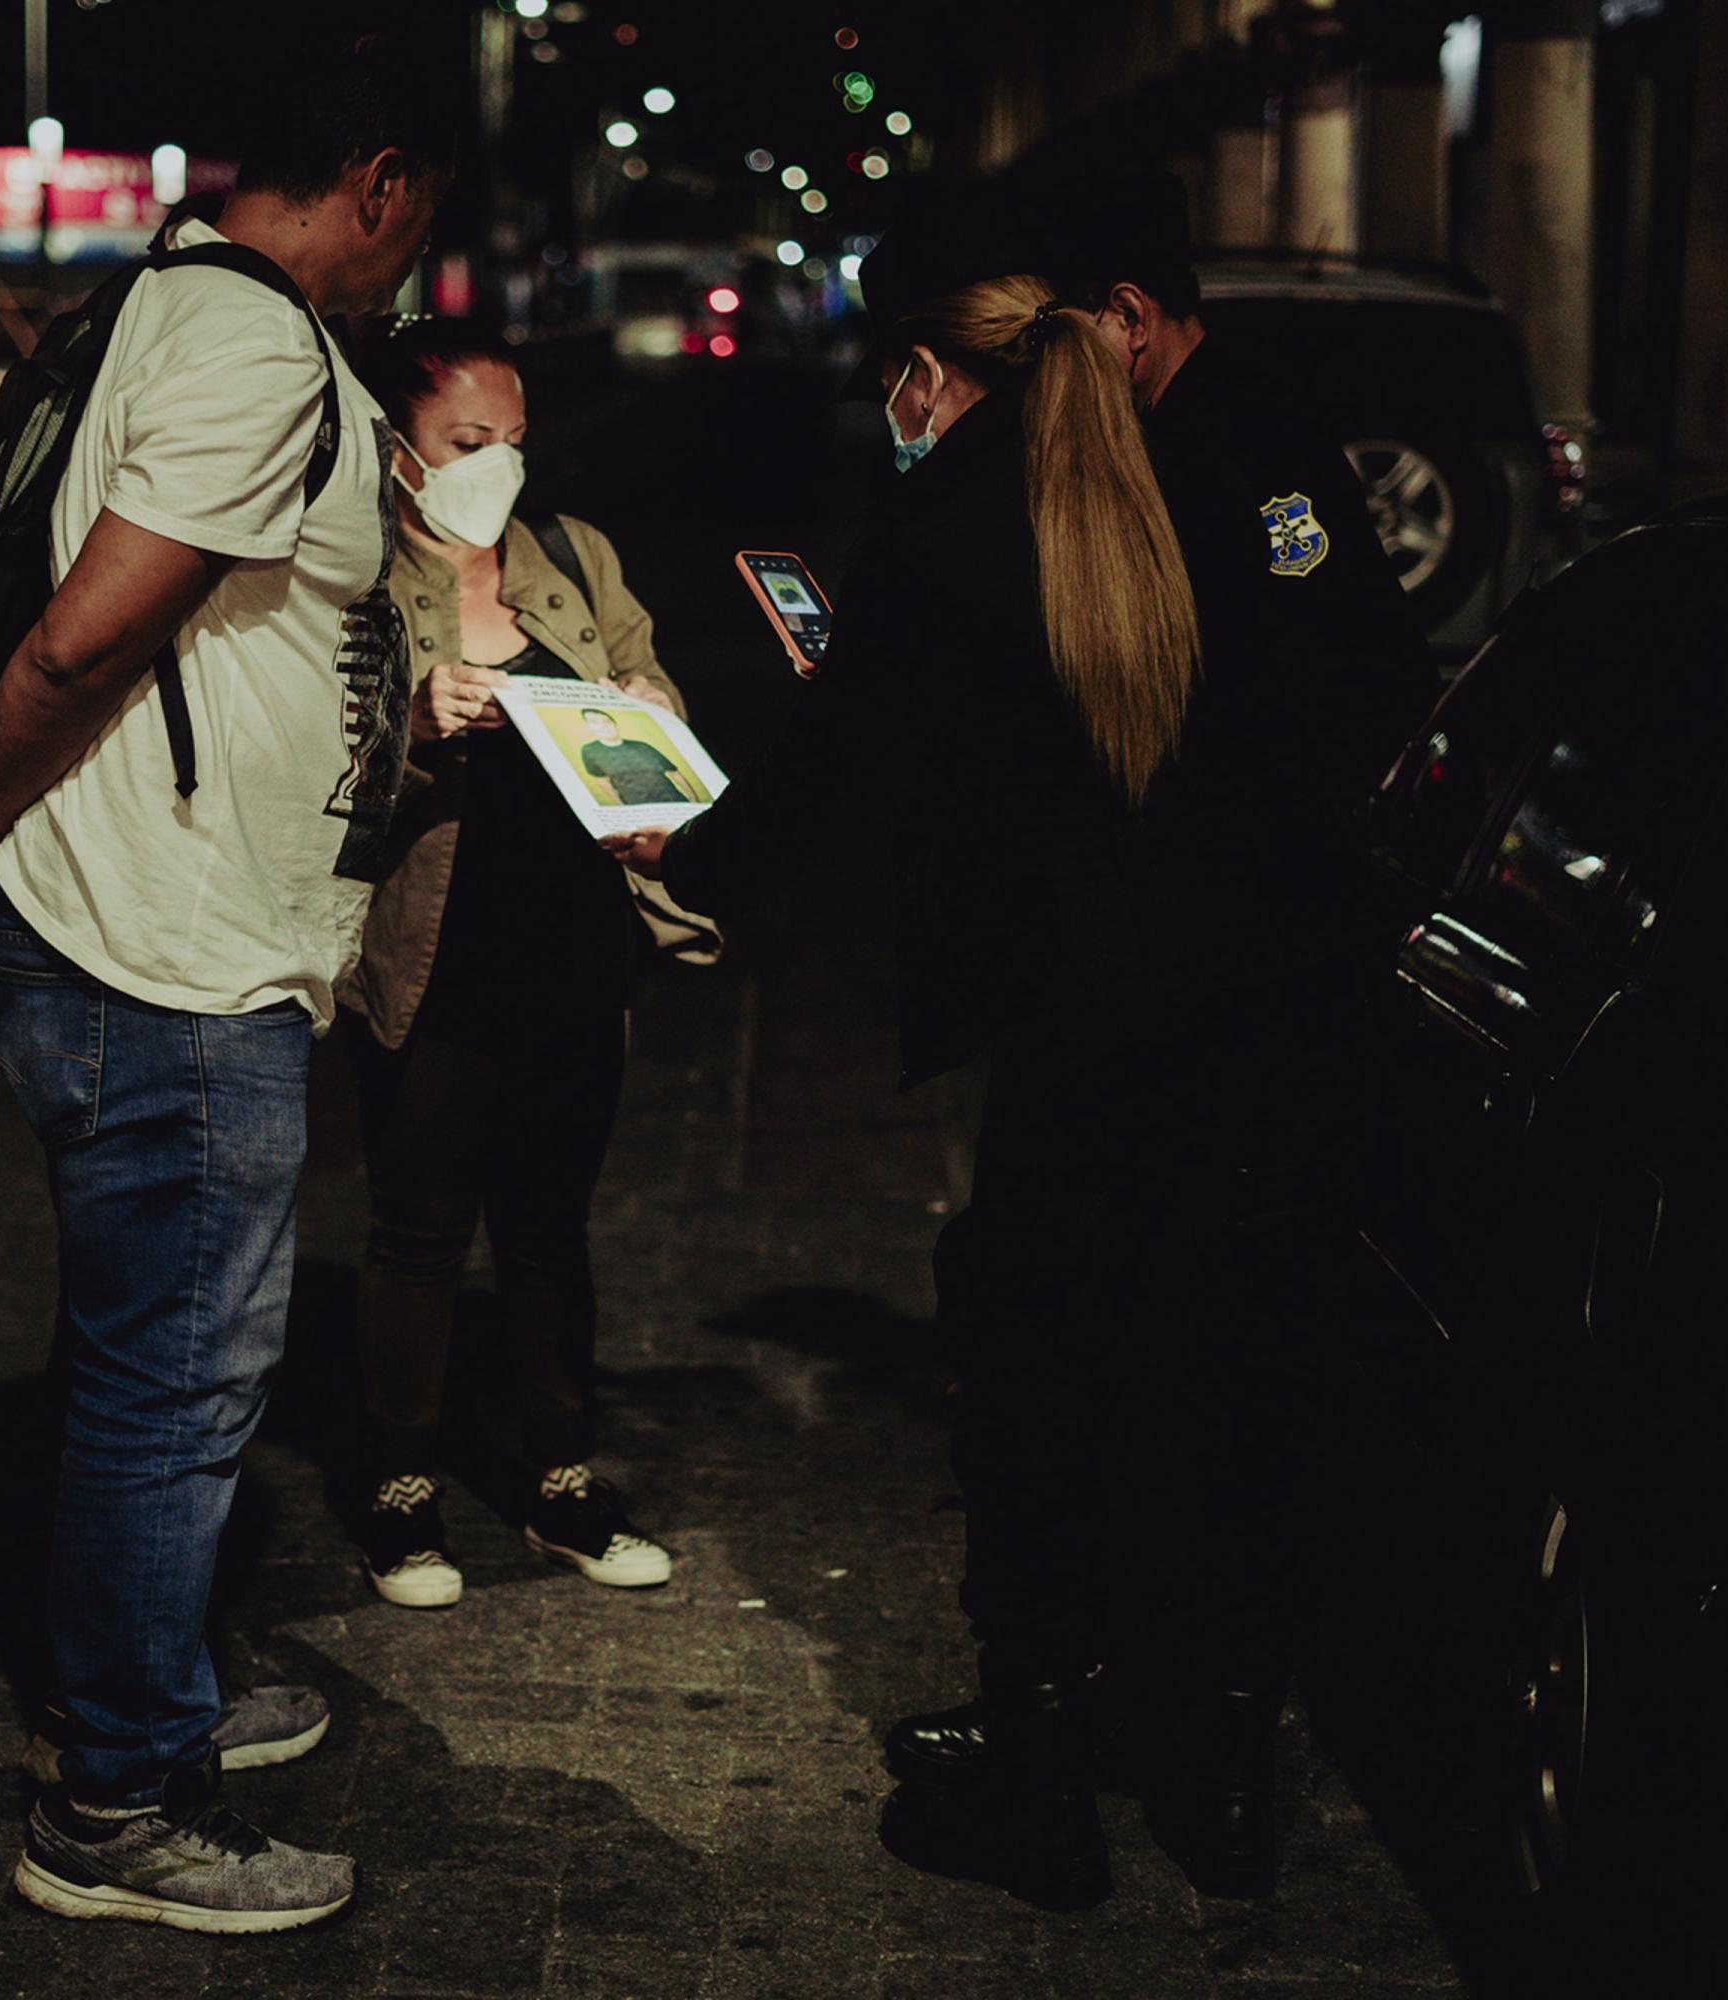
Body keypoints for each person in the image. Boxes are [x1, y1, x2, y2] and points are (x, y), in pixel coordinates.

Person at [608, 179, 1421, 1909]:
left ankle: (1039, 1767)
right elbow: (1370, 719)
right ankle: (1214, 1774)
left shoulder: (964, 510)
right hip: (1269, 1037)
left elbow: (859, 767)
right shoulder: (1251, 469)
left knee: (1050, 1390)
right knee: (1224, 1392)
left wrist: (686, 844)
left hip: (1077, 1047)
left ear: (941, 366)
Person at [0, 34, 451, 1937]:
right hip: (161, 953)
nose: (419, 254)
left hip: (175, 936)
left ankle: (144, 1687)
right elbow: (91, 625)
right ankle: (115, 1797)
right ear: (381, 178)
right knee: (176, 1382)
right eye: (422, 214)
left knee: (154, 1361)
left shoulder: (157, 310)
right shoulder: (254, 344)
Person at [335, 316, 685, 1609]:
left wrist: (655, 725)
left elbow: (650, 685)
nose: (496, 469)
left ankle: (560, 1481)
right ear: (402, 449)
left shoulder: (575, 563)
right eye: (466, 443)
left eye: (514, 443)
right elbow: (311, 755)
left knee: (550, 1228)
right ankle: (400, 1490)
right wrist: (411, 724)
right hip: (433, 953)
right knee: (420, 1228)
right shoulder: (353, 575)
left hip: (574, 948)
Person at [574, 708, 699, 806]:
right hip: (638, 808)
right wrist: (621, 806)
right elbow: (602, 781)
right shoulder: (590, 751)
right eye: (594, 722)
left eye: (607, 721)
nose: (603, 726)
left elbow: (674, 772)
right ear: (589, 727)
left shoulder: (642, 746)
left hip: (674, 801)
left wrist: (694, 799)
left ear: (615, 724)